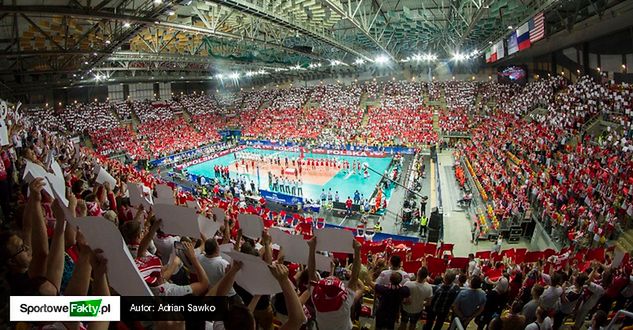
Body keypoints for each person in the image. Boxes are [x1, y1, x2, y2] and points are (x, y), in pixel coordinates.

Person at [307, 236, 363, 330]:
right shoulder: (345, 302)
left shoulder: (317, 298)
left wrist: (311, 248)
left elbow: (311, 273)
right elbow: (355, 277)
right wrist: (357, 251)